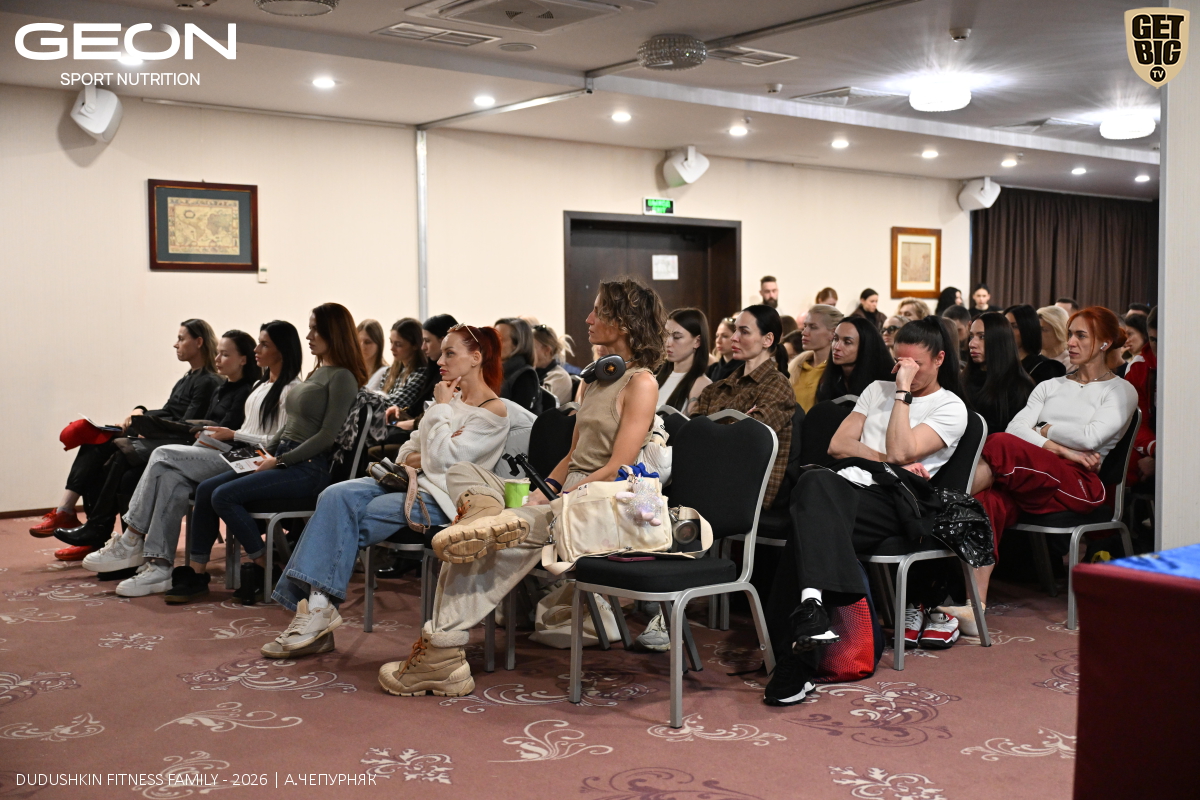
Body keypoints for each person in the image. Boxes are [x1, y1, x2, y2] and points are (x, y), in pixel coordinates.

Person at [374, 278, 665, 698]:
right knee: (464, 475)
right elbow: (572, 457)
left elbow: (619, 466)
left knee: (478, 544)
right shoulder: (594, 380)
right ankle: (486, 518)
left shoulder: (640, 383)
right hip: (565, 497)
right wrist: (544, 491)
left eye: (598, 310)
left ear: (624, 321)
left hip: (599, 502)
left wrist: (560, 499)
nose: (588, 318)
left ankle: (442, 655)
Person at [263, 325, 511, 658]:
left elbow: (446, 464)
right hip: (408, 480)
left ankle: (316, 611)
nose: (440, 360)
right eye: (442, 353)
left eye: (450, 353)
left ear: (476, 358)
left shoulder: (493, 411)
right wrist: (432, 445)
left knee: (351, 518)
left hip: (443, 499)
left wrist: (438, 417)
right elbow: (407, 451)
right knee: (333, 495)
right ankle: (319, 610)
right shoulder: (450, 400)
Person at [763, 316, 969, 706]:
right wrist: (887, 460)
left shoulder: (951, 407)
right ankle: (808, 620)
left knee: (808, 521)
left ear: (940, 359)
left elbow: (902, 449)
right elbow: (839, 445)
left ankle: (795, 653)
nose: (904, 371)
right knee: (815, 484)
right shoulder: (876, 389)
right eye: (900, 363)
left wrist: (902, 393)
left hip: (895, 502)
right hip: (845, 488)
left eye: (915, 365)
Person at [77, 323, 302, 596]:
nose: (257, 349)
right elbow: (247, 431)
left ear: (282, 350)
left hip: (258, 459)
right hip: (238, 451)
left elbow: (279, 441)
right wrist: (218, 437)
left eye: (264, 344)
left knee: (161, 454)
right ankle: (160, 566)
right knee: (171, 477)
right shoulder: (260, 385)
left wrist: (234, 434)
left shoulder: (292, 389)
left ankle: (132, 538)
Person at [971, 307, 1138, 610]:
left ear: (1104, 343)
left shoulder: (1120, 390)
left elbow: (1090, 438)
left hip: (1080, 484)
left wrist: (1044, 428)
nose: (1070, 342)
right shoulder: (1050, 385)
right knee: (987, 500)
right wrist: (1062, 448)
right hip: (1033, 475)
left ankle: (940, 501)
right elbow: (1015, 428)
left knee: (998, 443)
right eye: (1070, 334)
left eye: (1081, 335)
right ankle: (975, 605)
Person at [198, 303, 367, 603]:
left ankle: (267, 569)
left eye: (315, 329)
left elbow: (326, 437)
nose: (309, 335)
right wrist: (265, 453)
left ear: (333, 332)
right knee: (207, 488)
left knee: (223, 496)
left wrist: (280, 460)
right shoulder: (319, 372)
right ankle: (196, 572)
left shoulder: (342, 377)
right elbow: (289, 426)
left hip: (307, 468)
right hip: (287, 458)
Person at [55, 330, 260, 558]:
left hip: (224, 453)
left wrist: (155, 429)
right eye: (218, 353)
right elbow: (184, 418)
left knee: (141, 455)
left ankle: (124, 538)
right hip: (201, 446)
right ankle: (134, 548)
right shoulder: (218, 387)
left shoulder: (238, 389)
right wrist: (143, 414)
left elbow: (218, 431)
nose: (217, 358)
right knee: (114, 459)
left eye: (225, 354)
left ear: (243, 359)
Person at [31, 320, 222, 539]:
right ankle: (74, 517)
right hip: (164, 438)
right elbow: (169, 412)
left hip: (177, 447)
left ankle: (92, 526)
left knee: (112, 456)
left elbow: (185, 426)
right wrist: (140, 411)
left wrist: (145, 426)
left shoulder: (208, 381)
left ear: (199, 342)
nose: (175, 344)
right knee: (94, 444)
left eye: (181, 339)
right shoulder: (187, 378)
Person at [694, 305, 795, 509]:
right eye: (735, 330)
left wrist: (715, 428)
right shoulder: (715, 389)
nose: (734, 338)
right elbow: (694, 435)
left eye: (744, 332)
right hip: (711, 476)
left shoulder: (778, 386)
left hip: (747, 489)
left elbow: (746, 439)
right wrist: (732, 423)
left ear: (767, 339)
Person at [964, 313, 1034, 435]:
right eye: (971, 336)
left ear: (1000, 341)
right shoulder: (963, 379)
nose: (972, 344)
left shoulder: (1020, 387)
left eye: (982, 337)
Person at [814, 317, 895, 404]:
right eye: (835, 339)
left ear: (865, 346)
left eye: (847, 342)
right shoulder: (828, 380)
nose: (836, 347)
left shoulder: (885, 383)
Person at [655, 308, 713, 414]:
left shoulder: (702, 384)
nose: (668, 343)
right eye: (666, 335)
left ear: (697, 341)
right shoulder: (655, 378)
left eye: (677, 337)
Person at [789, 305, 843, 411]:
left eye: (813, 327)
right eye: (805, 326)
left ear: (833, 333)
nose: (804, 332)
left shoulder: (839, 371)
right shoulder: (795, 368)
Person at [1126, 307, 1157, 485]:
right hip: (1153, 444)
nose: (1158, 347)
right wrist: (1157, 452)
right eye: (1153, 339)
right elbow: (1137, 423)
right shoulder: (1138, 368)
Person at [1006, 304, 1066, 384]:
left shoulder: (1046, 368)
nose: (1007, 331)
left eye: (1014, 327)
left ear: (1027, 329)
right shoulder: (999, 362)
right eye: (1005, 326)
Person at [495, 317, 542, 413]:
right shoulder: (492, 370)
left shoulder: (525, 377)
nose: (493, 344)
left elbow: (516, 417)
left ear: (517, 345)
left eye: (500, 339)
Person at [532, 323, 575, 406]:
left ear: (547, 350)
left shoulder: (559, 376)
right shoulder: (535, 371)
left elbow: (541, 405)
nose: (527, 352)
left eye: (531, 348)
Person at [358, 319, 389, 391]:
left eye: (367, 342)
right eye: (358, 342)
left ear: (379, 343)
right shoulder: (351, 372)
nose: (362, 346)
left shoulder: (385, 373)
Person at [707, 316, 739, 382]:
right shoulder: (712, 369)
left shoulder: (745, 369)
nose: (718, 341)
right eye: (717, 336)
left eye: (725, 336)